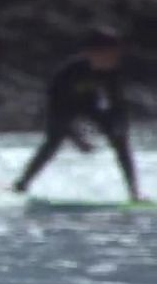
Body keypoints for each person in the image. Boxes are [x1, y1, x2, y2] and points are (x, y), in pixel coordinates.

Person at [13, 27, 144, 201]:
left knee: (120, 140)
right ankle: (21, 184)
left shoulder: (112, 71)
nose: (115, 58)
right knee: (53, 141)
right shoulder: (70, 73)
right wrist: (77, 139)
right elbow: (58, 111)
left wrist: (118, 125)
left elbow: (117, 103)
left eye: (116, 54)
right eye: (110, 54)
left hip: (89, 106)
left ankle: (134, 193)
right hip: (60, 106)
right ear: (92, 53)